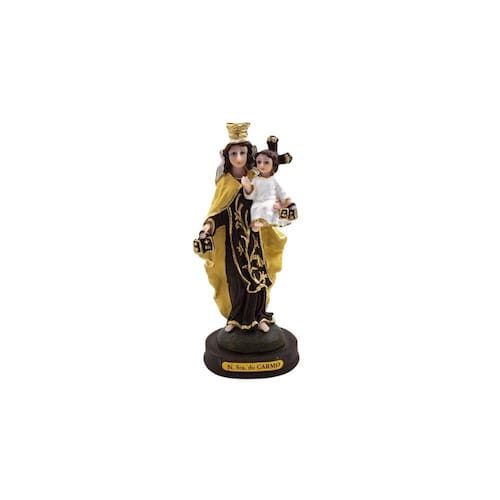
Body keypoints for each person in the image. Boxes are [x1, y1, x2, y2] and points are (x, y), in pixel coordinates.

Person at [196, 123, 287, 333]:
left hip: (254, 238)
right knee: (236, 280)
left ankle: (259, 316)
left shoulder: (257, 177)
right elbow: (219, 212)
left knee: (258, 276)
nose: (238, 158)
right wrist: (207, 227)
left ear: (249, 154)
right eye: (234, 153)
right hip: (233, 240)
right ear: (227, 156)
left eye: (242, 153)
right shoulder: (225, 183)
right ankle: (235, 318)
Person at [241, 149, 294, 231]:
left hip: (270, 201)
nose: (262, 165)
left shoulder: (273, 180)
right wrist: (248, 187)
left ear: (273, 164)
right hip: (258, 201)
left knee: (268, 207)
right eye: (259, 162)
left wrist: (285, 201)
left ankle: (266, 222)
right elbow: (252, 195)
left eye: (266, 162)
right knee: (256, 207)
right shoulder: (255, 180)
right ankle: (256, 223)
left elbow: (280, 192)